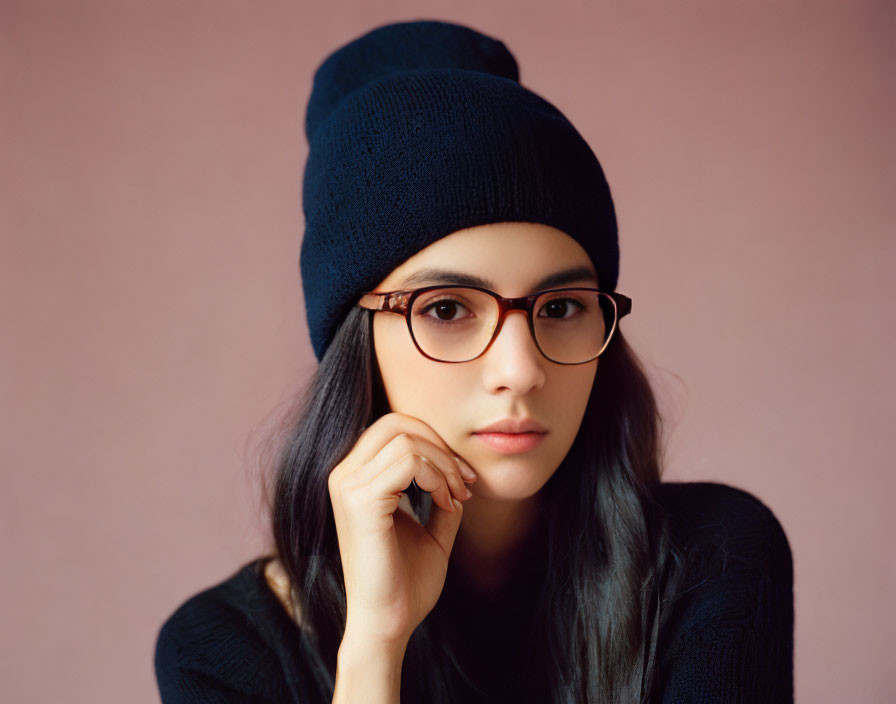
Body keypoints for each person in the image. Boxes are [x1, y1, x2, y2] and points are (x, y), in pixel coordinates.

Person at [153, 19, 794, 704]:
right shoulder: (222, 651)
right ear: (357, 339)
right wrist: (375, 641)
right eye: (448, 309)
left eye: (560, 307)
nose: (520, 371)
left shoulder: (712, 559)